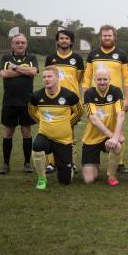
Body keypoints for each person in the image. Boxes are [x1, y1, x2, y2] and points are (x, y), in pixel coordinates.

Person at [82, 25, 128, 174]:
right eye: (104, 36)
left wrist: (127, 98)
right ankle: (93, 154)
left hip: (116, 98)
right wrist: (84, 96)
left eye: (110, 35)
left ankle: (119, 162)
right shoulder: (93, 55)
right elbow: (87, 78)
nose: (107, 38)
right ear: (100, 37)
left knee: (119, 128)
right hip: (95, 98)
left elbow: (127, 79)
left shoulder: (122, 55)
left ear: (114, 37)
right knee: (96, 124)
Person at [28, 66, 83, 190]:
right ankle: (42, 178)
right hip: (45, 135)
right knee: (37, 146)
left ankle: (65, 165)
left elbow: (79, 112)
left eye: (49, 76)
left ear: (57, 78)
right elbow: (32, 112)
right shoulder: (36, 96)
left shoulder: (69, 95)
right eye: (44, 77)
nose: (46, 79)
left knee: (65, 180)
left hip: (63, 139)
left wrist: (67, 124)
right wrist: (42, 123)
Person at [44, 29, 84, 174]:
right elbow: (47, 77)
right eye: (61, 38)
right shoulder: (51, 58)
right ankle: (51, 162)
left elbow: (79, 79)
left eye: (67, 38)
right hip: (53, 99)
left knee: (70, 131)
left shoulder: (77, 59)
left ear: (71, 41)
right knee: (51, 129)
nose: (64, 40)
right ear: (57, 41)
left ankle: (71, 162)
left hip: (71, 101)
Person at [0, 33, 39, 174]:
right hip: (9, 101)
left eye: (23, 42)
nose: (20, 44)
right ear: (12, 44)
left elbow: (33, 71)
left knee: (26, 132)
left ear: (26, 44)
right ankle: (5, 164)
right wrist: (24, 71)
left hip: (27, 101)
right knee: (8, 132)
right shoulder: (5, 57)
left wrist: (14, 68)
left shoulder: (31, 57)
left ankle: (27, 163)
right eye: (17, 42)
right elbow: (3, 74)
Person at [81, 69, 125, 186]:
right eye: (99, 79)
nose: (102, 82)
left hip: (108, 138)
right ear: (94, 80)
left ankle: (111, 175)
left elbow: (121, 115)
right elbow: (94, 119)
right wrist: (112, 136)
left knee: (117, 146)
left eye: (105, 79)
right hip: (91, 138)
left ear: (109, 80)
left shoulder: (116, 91)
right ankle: (94, 164)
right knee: (89, 179)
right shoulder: (89, 93)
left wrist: (115, 137)